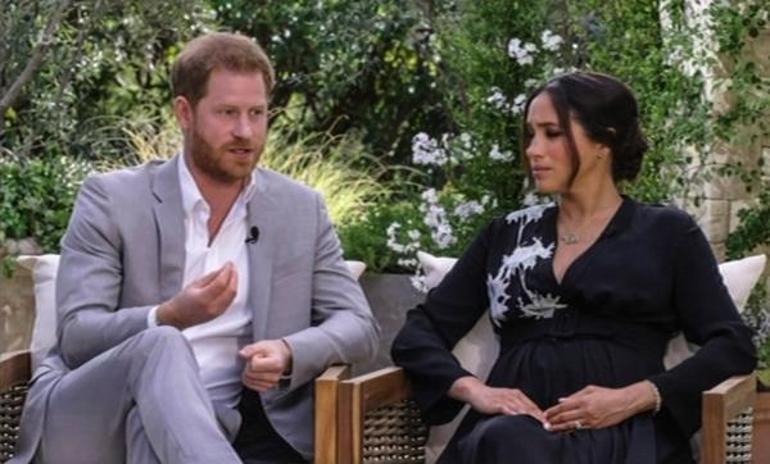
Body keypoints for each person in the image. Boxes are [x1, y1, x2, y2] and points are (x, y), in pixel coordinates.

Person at [10, 32, 380, 464]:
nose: (245, 131)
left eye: (257, 113)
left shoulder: (300, 209)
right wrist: (169, 315)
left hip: (218, 425)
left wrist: (289, 350)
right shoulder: (112, 199)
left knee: (150, 434)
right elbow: (77, 337)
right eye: (227, 113)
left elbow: (359, 324)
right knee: (161, 344)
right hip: (92, 420)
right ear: (184, 113)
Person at [391, 71, 756, 463]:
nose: (533, 149)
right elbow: (418, 334)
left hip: (626, 436)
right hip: (511, 436)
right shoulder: (506, 234)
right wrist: (473, 389)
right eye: (530, 135)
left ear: (604, 141)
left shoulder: (667, 233)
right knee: (506, 441)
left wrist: (638, 396)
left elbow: (732, 345)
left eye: (552, 134)